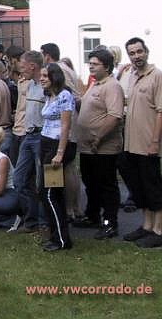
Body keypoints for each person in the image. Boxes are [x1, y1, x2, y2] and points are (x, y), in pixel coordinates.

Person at [75, 49, 124, 239]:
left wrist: (98, 137)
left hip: (103, 148)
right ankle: (92, 215)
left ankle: (109, 222)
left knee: (106, 185)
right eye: (90, 64)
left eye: (95, 64)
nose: (91, 67)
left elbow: (114, 116)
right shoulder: (95, 84)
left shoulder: (112, 86)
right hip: (88, 148)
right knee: (91, 182)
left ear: (107, 66)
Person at [120, 37, 162, 248]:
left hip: (148, 145)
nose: (136, 56)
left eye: (139, 52)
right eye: (132, 53)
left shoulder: (157, 76)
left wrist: (155, 142)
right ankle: (146, 226)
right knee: (140, 188)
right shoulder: (132, 76)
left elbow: (161, 112)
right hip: (131, 144)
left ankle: (158, 229)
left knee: (153, 187)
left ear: (146, 51)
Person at [39, 63, 76, 251]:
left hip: (56, 145)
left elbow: (65, 126)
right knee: (49, 192)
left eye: (45, 75)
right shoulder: (49, 96)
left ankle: (61, 239)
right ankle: (55, 235)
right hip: (45, 142)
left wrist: (59, 153)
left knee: (49, 193)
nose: (42, 78)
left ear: (54, 76)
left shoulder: (64, 95)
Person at [11, 51, 47, 234]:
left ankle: (43, 222)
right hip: (28, 134)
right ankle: (30, 220)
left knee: (42, 180)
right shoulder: (30, 85)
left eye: (23, 67)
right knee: (19, 178)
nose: (20, 71)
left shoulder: (45, 85)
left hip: (41, 136)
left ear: (33, 66)